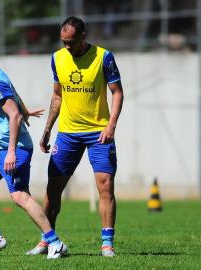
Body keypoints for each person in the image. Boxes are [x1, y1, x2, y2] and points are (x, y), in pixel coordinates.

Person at [0, 37, 67, 259]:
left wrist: (11, 151)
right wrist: (25, 111)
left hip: (12, 148)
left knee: (19, 196)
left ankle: (56, 243)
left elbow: (13, 114)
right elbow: (14, 98)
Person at [27, 16, 124, 257]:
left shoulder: (104, 57)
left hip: (98, 132)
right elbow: (57, 96)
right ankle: (46, 239)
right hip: (68, 134)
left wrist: (111, 126)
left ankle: (107, 244)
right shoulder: (57, 59)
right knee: (52, 191)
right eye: (63, 42)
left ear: (83, 36)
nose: (66, 47)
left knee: (106, 186)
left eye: (70, 42)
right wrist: (48, 129)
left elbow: (118, 93)